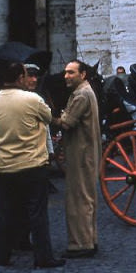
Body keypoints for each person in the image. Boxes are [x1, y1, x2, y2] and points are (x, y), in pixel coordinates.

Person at [0, 62, 65, 268]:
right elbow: (49, 117)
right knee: (37, 213)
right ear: (20, 78)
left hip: (4, 165)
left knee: (5, 213)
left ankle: (2, 256)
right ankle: (43, 257)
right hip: (31, 165)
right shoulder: (32, 99)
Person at [51, 60, 101, 259]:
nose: (66, 76)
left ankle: (81, 244)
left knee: (78, 199)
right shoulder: (86, 91)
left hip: (81, 153)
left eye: (71, 73)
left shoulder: (81, 94)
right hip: (86, 152)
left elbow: (67, 123)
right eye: (65, 73)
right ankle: (90, 240)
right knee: (87, 197)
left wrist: (46, 114)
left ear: (83, 75)